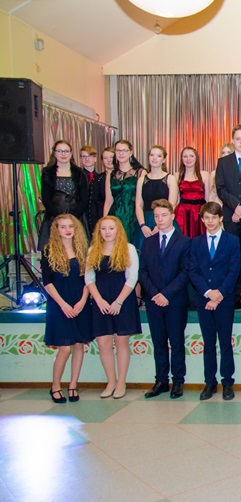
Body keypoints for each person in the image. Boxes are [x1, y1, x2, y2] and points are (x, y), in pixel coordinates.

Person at [139, 200, 191, 399]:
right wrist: (155, 294)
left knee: (176, 342)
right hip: (154, 300)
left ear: (172, 216)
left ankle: (178, 381)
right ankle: (161, 380)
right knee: (159, 342)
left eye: (163, 215)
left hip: (175, 301)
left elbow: (185, 272)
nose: (160, 219)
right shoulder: (148, 241)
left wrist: (166, 294)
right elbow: (143, 271)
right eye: (156, 216)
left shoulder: (184, 241)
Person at [189, 202, 241, 401]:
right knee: (208, 343)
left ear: (221, 218)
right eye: (206, 218)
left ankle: (227, 382)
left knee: (225, 342)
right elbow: (193, 271)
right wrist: (207, 292)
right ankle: (210, 382)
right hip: (204, 300)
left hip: (224, 300)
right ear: (202, 220)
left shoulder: (232, 241)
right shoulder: (196, 243)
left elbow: (234, 270)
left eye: (214, 217)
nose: (210, 221)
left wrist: (219, 294)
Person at [85, 216, 141, 399]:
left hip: (122, 301)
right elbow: (89, 278)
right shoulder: (93, 250)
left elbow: (132, 277)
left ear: (118, 230)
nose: (107, 232)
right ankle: (111, 381)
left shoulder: (128, 249)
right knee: (103, 344)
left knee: (121, 342)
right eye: (103, 229)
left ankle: (121, 382)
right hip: (101, 301)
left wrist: (119, 302)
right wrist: (98, 300)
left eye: (111, 228)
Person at [42, 214, 91, 404]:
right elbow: (47, 283)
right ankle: (55, 386)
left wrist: (83, 301)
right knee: (64, 348)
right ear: (56, 230)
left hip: (80, 303)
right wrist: (63, 304)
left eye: (71, 226)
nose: (67, 230)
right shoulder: (48, 251)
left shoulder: (83, 250)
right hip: (59, 305)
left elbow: (88, 280)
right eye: (63, 227)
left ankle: (73, 385)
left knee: (79, 345)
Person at [39, 140, 89, 251]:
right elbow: (46, 199)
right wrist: (59, 217)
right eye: (60, 151)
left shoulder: (80, 173)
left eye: (66, 151)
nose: (63, 154)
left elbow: (84, 199)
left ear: (71, 153)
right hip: (53, 217)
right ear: (55, 153)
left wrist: (72, 218)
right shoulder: (47, 173)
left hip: (76, 217)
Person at [135, 145, 179, 249]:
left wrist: (160, 225)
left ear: (163, 160)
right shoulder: (141, 179)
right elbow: (138, 204)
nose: (154, 158)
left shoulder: (170, 178)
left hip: (165, 220)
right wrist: (142, 225)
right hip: (146, 222)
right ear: (148, 157)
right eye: (152, 155)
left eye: (158, 156)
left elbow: (172, 205)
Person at [105, 140, 146, 243]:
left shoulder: (140, 172)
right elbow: (108, 200)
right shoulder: (111, 174)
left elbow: (143, 199)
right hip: (115, 216)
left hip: (133, 216)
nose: (121, 153)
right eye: (118, 150)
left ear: (130, 152)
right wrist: (105, 221)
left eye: (124, 150)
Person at [175, 147, 212, 238]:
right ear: (181, 159)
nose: (188, 159)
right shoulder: (177, 175)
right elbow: (177, 199)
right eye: (185, 156)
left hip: (199, 212)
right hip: (182, 213)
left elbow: (208, 198)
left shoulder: (205, 175)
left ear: (196, 158)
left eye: (191, 156)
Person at [80, 145, 105, 236]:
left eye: (90, 156)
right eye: (84, 156)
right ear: (81, 159)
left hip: (97, 215)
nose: (87, 159)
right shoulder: (77, 177)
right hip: (82, 216)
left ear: (95, 159)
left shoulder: (101, 178)